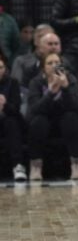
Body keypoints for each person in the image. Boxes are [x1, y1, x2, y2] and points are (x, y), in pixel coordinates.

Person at [25, 52, 78, 181]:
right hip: (45, 120)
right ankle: (36, 165)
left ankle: (76, 163)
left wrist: (66, 88)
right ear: (43, 68)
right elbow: (34, 109)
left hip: (65, 119)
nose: (54, 66)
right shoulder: (36, 82)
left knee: (72, 117)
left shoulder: (70, 79)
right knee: (38, 121)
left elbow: (76, 106)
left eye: (57, 63)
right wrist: (50, 93)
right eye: (50, 63)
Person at [0, 51, 27, 181]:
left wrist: (4, 104)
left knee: (12, 122)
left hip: (8, 119)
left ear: (5, 69)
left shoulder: (12, 83)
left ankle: (18, 165)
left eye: (0, 67)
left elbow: (16, 109)